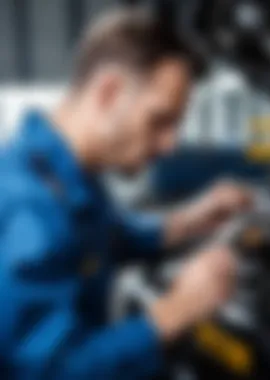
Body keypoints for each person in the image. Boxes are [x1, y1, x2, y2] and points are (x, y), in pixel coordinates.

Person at [0, 7, 251, 379]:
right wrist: (176, 310)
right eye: (160, 120)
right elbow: (48, 372)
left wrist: (190, 219)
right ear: (109, 92)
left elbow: (109, 235)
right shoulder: (31, 208)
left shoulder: (63, 172)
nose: (169, 146)